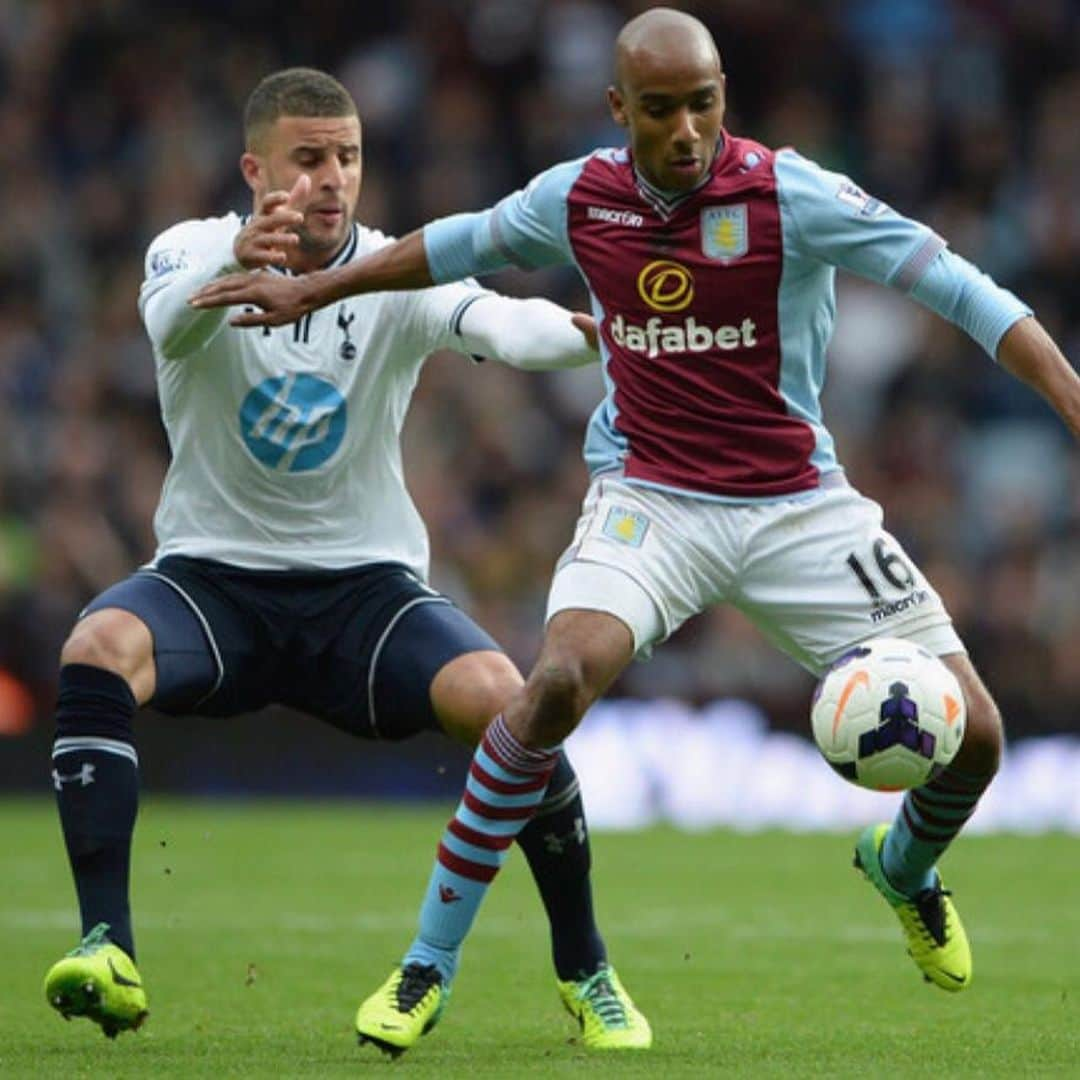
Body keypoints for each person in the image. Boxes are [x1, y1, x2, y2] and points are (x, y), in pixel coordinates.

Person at [191, 6, 1080, 1046]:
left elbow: (966, 292)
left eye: (704, 104)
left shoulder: (790, 193)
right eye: (661, 111)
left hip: (797, 502)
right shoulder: (580, 198)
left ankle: (903, 867)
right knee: (556, 683)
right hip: (649, 496)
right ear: (620, 110)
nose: (688, 131)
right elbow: (451, 245)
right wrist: (320, 289)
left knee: (977, 741)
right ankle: (426, 965)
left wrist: (1069, 393)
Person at [42, 67, 653, 1055]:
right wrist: (232, 264)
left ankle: (586, 967)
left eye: (349, 157)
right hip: (212, 582)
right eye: (309, 158)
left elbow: (500, 322)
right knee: (98, 645)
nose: (334, 178)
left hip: (363, 595)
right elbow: (167, 327)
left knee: (513, 698)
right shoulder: (192, 249)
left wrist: (600, 338)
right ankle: (107, 945)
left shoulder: (392, 274)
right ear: (255, 168)